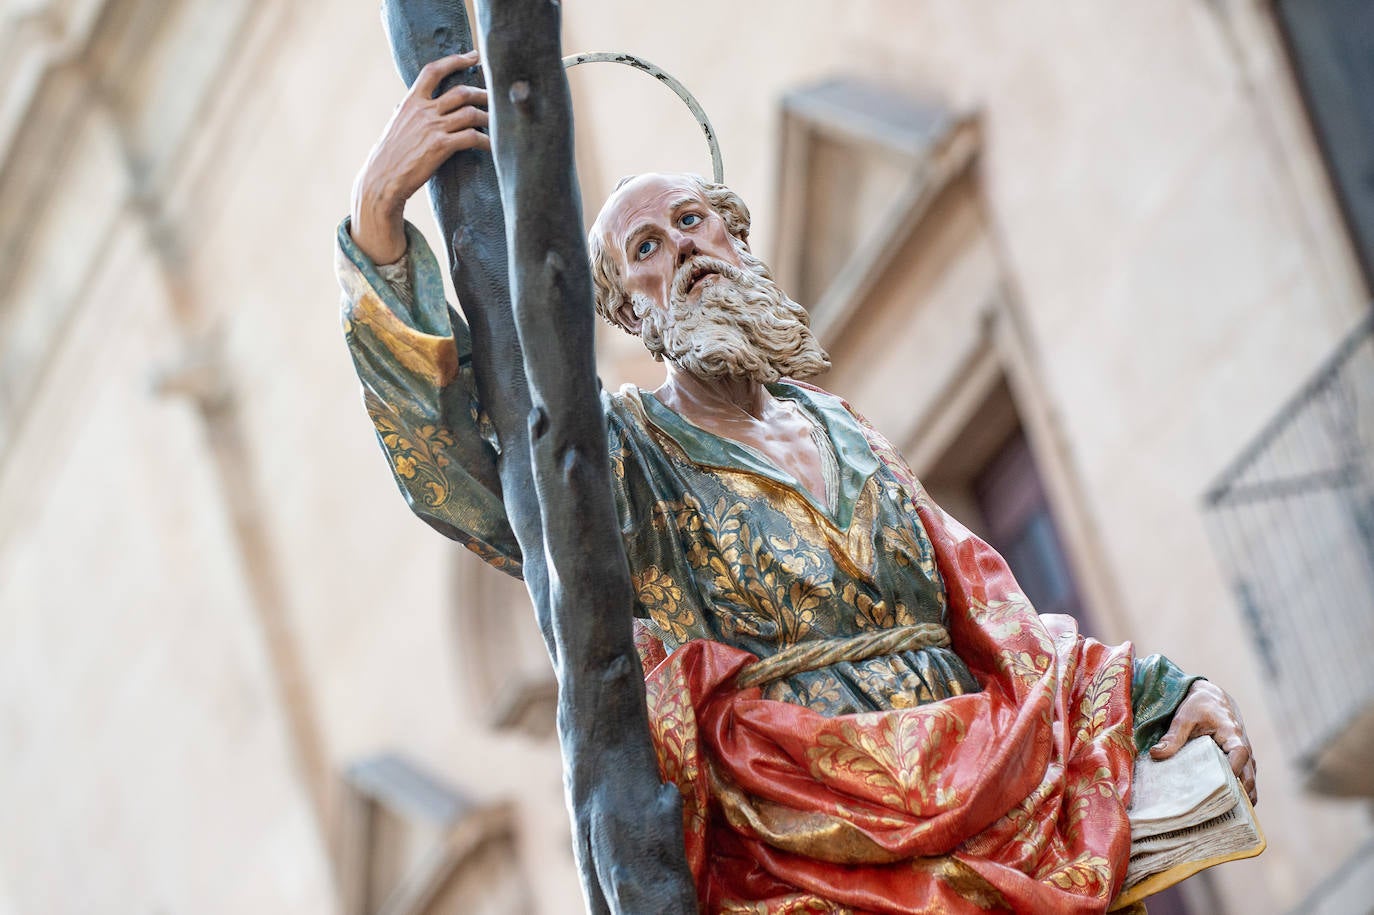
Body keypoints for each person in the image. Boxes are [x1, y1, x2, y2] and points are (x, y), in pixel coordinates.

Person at [338, 52, 1256, 914]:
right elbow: (475, 480)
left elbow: (989, 604)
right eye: (646, 250)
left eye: (692, 221)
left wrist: (1157, 692)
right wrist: (378, 220)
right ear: (631, 311)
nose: (681, 252)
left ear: (738, 237)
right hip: (810, 853)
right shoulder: (628, 456)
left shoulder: (842, 425)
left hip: (992, 801)